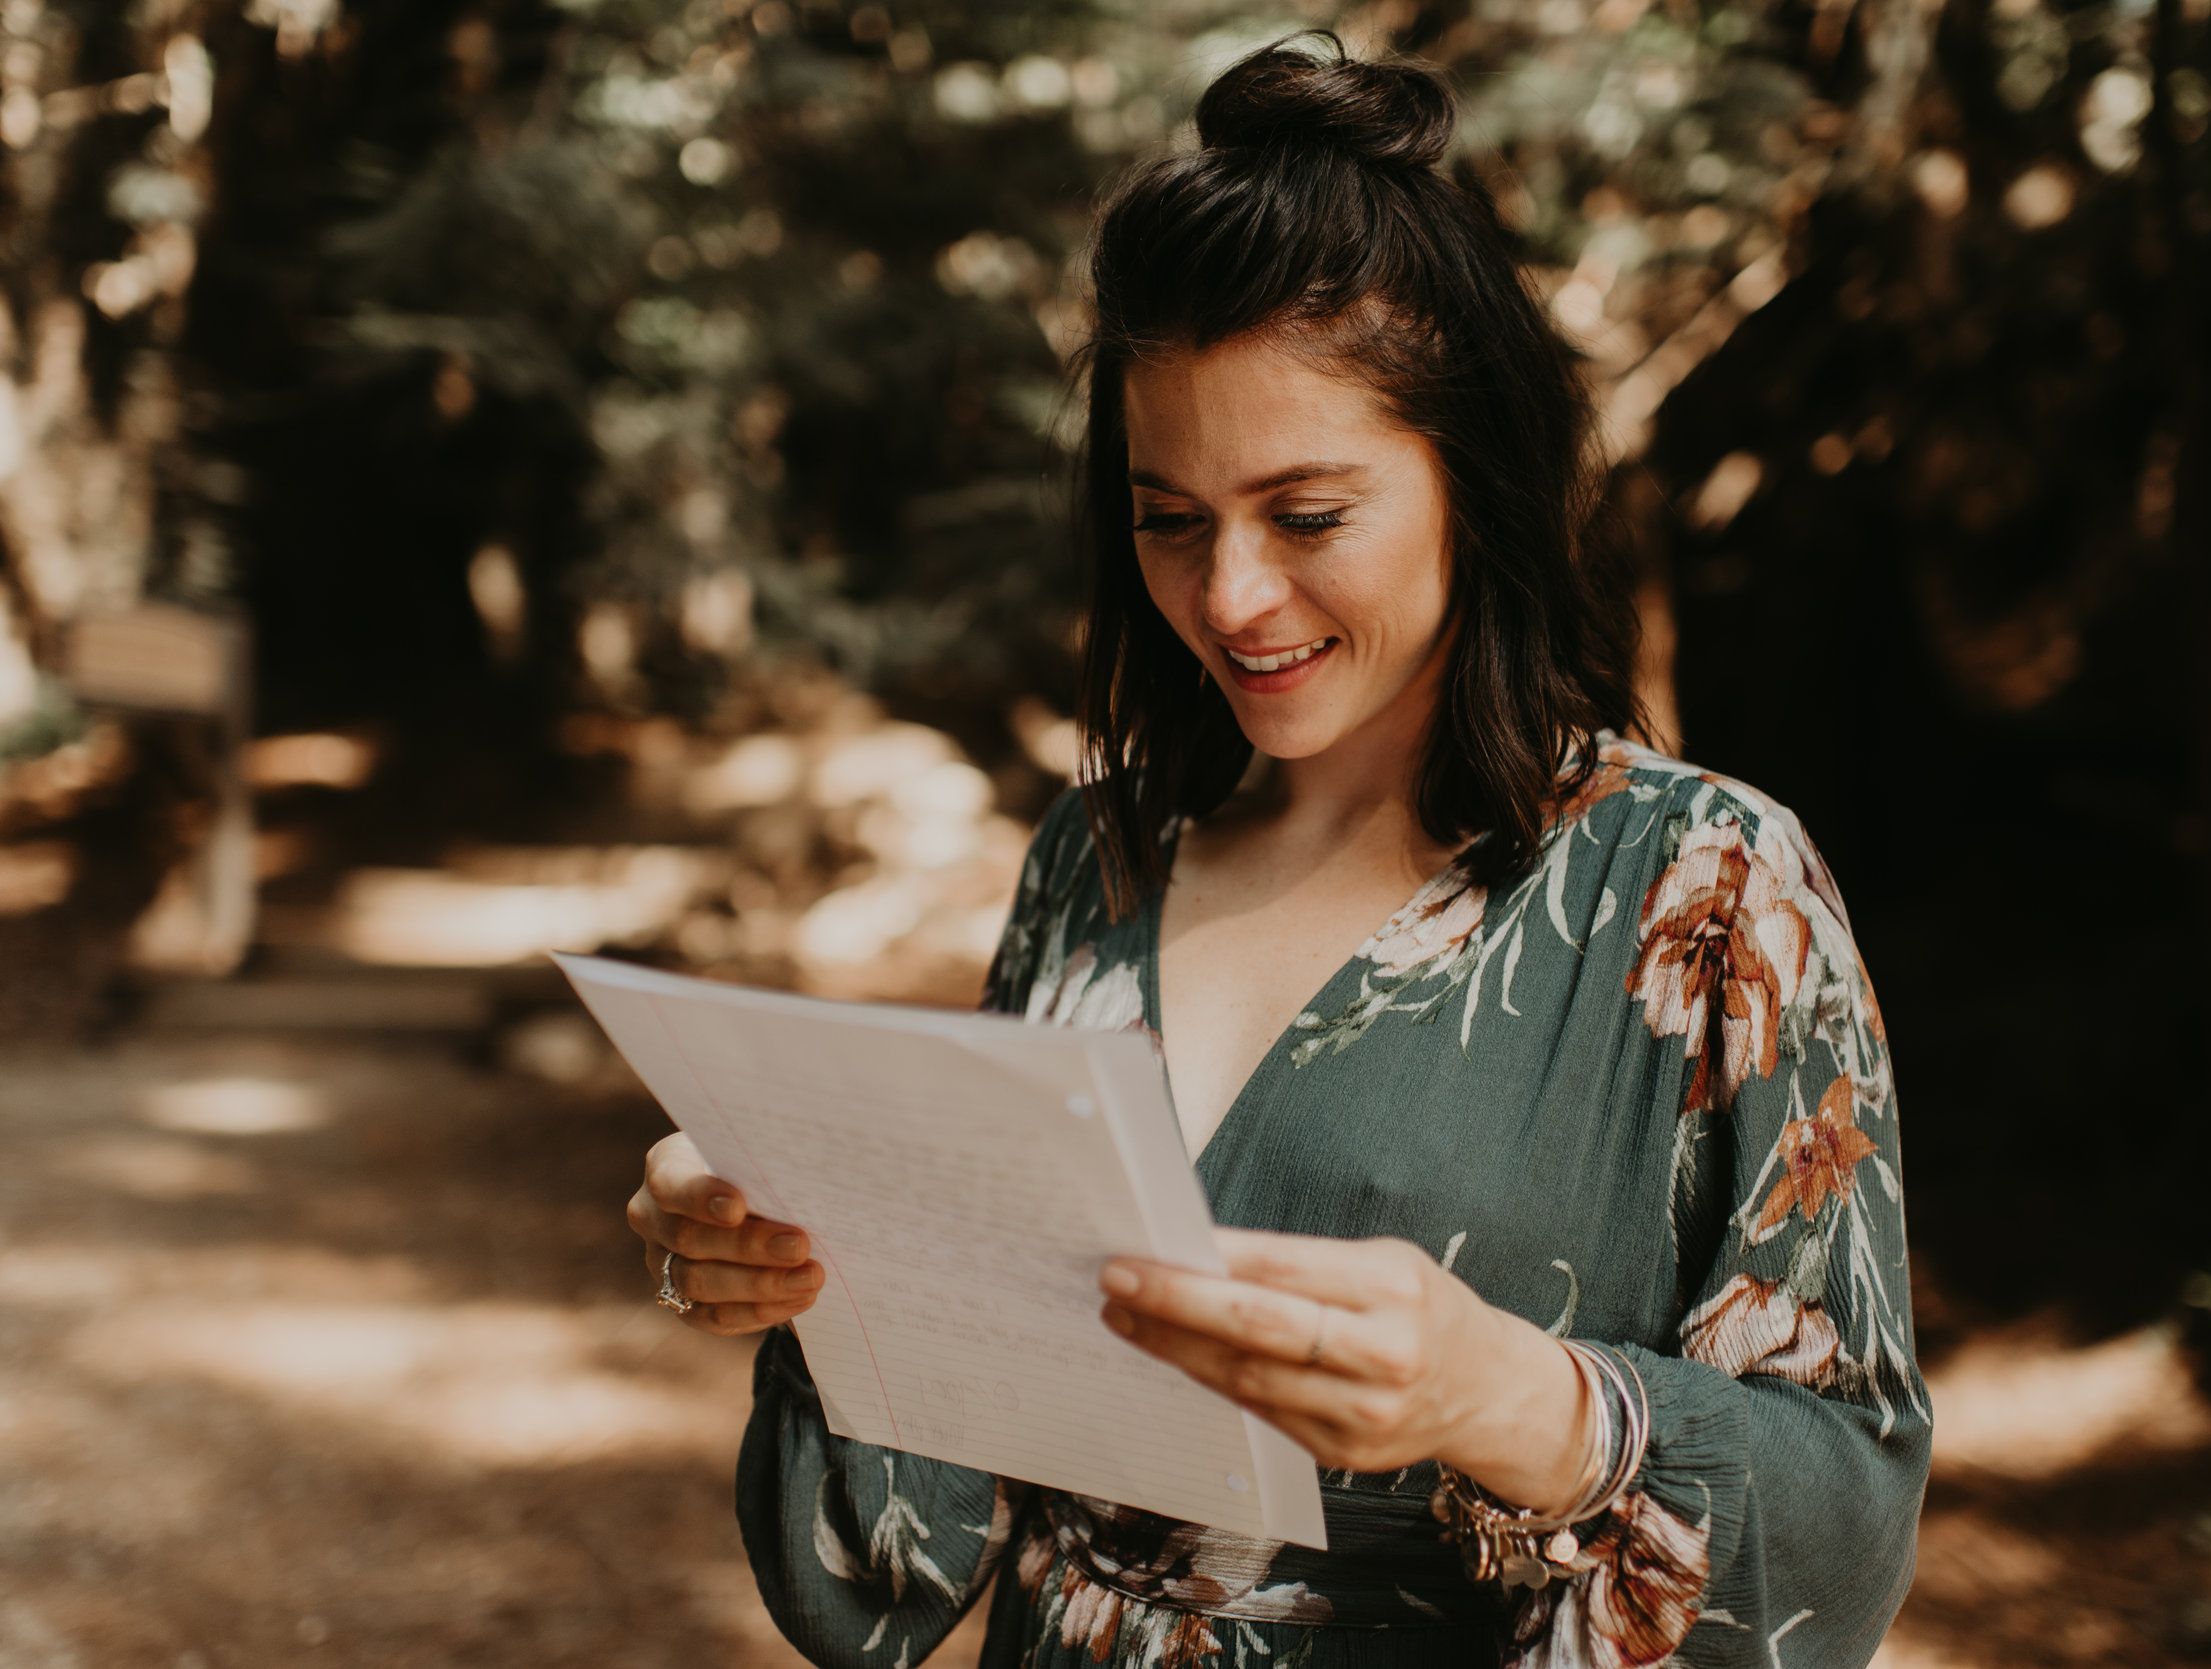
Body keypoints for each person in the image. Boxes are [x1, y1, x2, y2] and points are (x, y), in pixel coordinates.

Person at [625, 36, 1926, 1669]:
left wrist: (1516, 1401)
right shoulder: (1091, 864)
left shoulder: (1709, 884)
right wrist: (804, 1264)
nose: (1230, 598)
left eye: (1308, 516)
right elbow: (905, 1555)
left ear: (1479, 479)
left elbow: (1844, 1522)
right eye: (1171, 517)